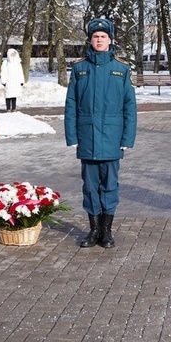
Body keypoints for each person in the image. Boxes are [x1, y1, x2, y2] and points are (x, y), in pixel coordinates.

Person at [65, 18, 137, 249]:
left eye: (103, 37)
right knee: (89, 185)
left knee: (110, 185)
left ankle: (106, 231)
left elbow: (130, 106)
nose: (99, 40)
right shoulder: (79, 69)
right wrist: (72, 136)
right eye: (95, 37)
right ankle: (93, 229)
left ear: (110, 40)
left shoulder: (121, 69)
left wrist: (127, 138)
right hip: (87, 138)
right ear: (90, 40)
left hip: (112, 138)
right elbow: (71, 105)